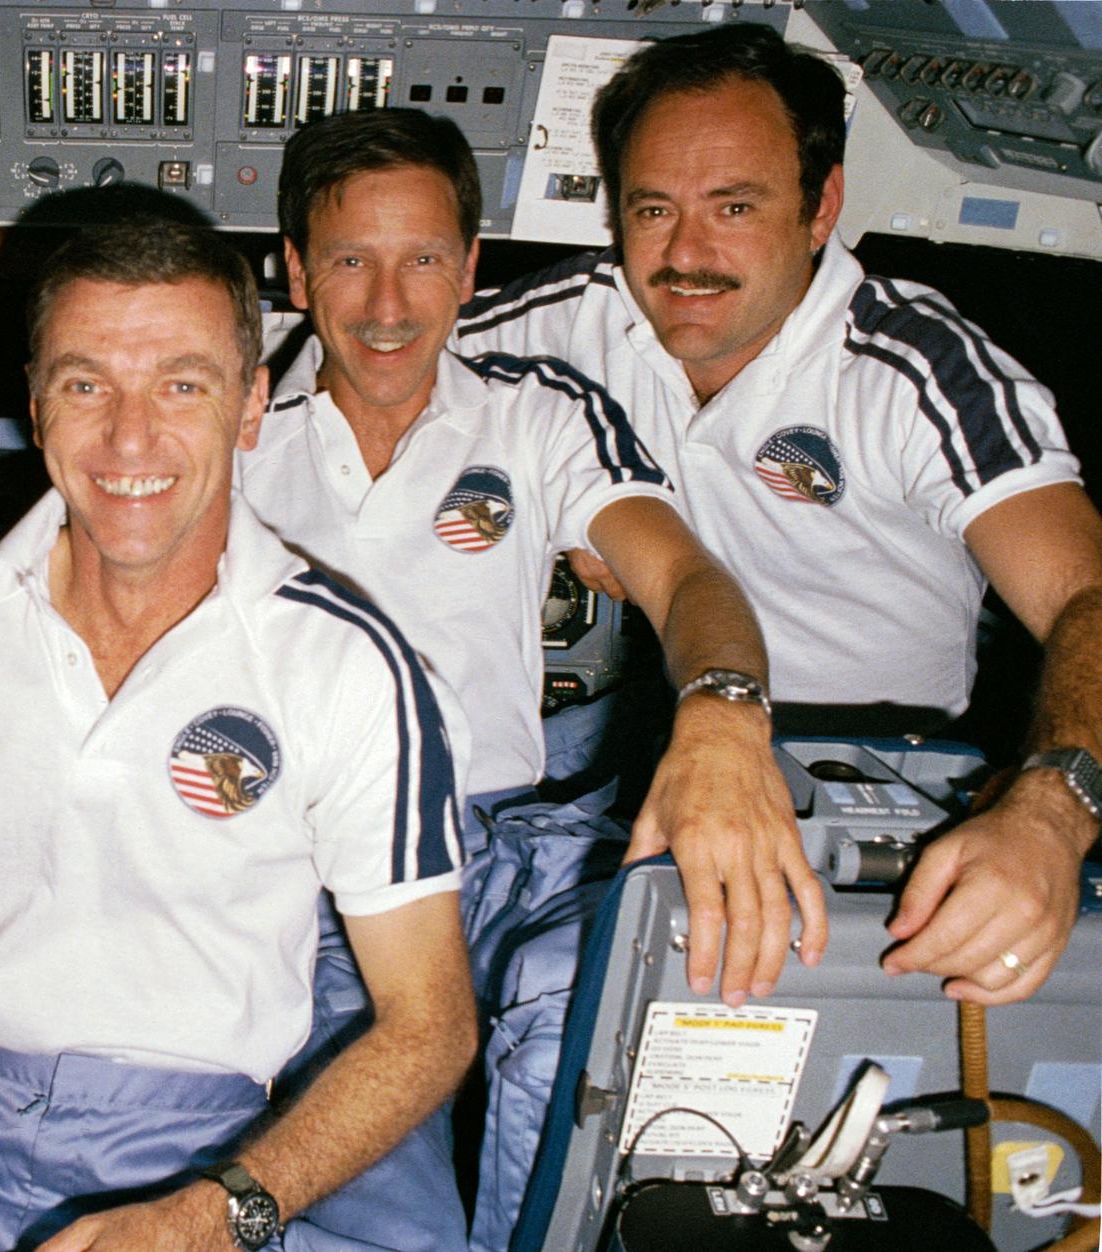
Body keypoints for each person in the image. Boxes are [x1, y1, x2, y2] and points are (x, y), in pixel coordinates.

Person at [0, 220, 474, 1252]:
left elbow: (430, 1021)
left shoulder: (350, 666)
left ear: (253, 405)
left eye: (182, 385)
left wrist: (210, 1216)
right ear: (37, 400)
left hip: (200, 1141)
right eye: (88, 384)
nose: (129, 441)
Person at [239, 106, 819, 1251]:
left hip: (502, 843)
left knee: (599, 1016)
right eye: (351, 260)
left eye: (422, 261)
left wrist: (723, 719)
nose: (389, 305)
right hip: (303, 867)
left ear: (470, 271)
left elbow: (687, 577)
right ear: (299, 273)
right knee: (375, 1199)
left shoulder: (538, 413)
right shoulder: (228, 416)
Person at [453, 22, 1102, 1006]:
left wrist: (1054, 809)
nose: (684, 254)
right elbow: (373, 385)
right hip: (656, 731)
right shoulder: (582, 317)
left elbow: (1086, 598)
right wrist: (532, 512)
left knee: (561, 993)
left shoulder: (913, 369)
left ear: (820, 208)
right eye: (653, 209)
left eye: (735, 207)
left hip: (868, 781)